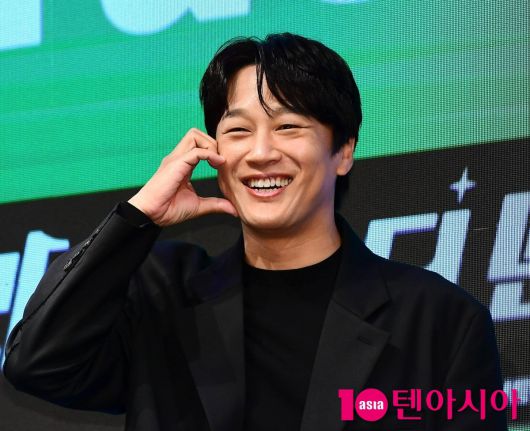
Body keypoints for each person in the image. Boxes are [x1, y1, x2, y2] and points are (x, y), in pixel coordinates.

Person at [3, 33, 506, 431]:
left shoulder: (441, 321)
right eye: (238, 131)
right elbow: (37, 363)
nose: (261, 153)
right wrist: (138, 218)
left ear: (344, 151)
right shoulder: (163, 295)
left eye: (288, 127)